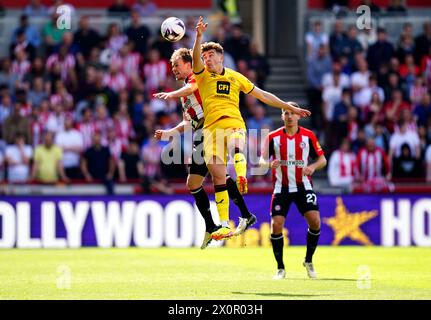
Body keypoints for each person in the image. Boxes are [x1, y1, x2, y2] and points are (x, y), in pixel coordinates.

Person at [191, 16, 310, 237]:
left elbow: (263, 95)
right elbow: (195, 59)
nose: (206, 59)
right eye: (205, 56)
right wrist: (198, 37)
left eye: (211, 55)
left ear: (221, 58)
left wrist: (288, 106)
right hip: (210, 130)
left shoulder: (236, 77)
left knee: (236, 144)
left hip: (233, 121)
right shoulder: (203, 77)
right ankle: (225, 223)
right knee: (218, 177)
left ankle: (242, 175)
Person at [153, 48, 257, 247]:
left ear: (189, 64)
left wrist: (171, 94)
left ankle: (223, 222)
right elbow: (187, 122)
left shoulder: (197, 78)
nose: (174, 69)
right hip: (200, 133)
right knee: (196, 182)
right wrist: (168, 133)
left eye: (177, 64)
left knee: (215, 177)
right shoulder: (186, 92)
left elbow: (192, 89)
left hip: (209, 131)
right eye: (172, 65)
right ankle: (234, 217)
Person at [260, 107, 327, 280]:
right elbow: (261, 160)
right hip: (281, 187)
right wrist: (268, 164)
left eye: (292, 113)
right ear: (282, 116)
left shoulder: (308, 136)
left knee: (315, 221)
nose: (290, 116)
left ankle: (309, 261)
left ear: (299, 116)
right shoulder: (273, 137)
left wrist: (312, 167)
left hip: (303, 186)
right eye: (286, 113)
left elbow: (322, 159)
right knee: (276, 225)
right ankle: (280, 268)